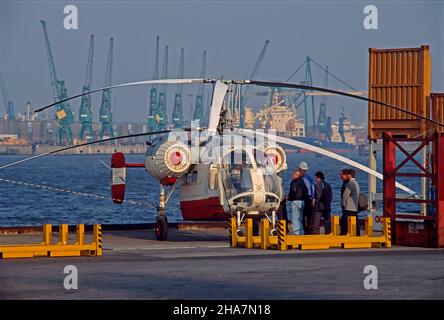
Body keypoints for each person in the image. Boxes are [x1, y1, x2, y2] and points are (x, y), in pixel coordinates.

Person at [287, 170, 309, 235]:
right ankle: (300, 232)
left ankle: (296, 233)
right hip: (302, 202)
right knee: (300, 218)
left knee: (295, 218)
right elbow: (306, 192)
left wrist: (289, 198)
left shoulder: (294, 182)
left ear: (296, 175)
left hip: (295, 201)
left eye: (293, 174)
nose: (292, 176)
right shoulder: (303, 182)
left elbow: (293, 191)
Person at [340, 168, 360, 236]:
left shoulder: (350, 183)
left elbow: (345, 195)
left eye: (347, 174)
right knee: (355, 223)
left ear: (349, 175)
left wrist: (342, 204)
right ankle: (357, 235)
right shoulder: (356, 183)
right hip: (355, 207)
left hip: (349, 207)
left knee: (345, 222)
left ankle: (344, 235)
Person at [297, 161, 315, 234]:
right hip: (304, 199)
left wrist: (313, 199)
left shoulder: (308, 178)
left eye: (305, 170)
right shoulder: (308, 178)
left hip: (307, 200)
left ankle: (307, 231)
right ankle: (306, 231)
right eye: (303, 170)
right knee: (302, 217)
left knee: (307, 217)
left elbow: (313, 189)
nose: (304, 172)